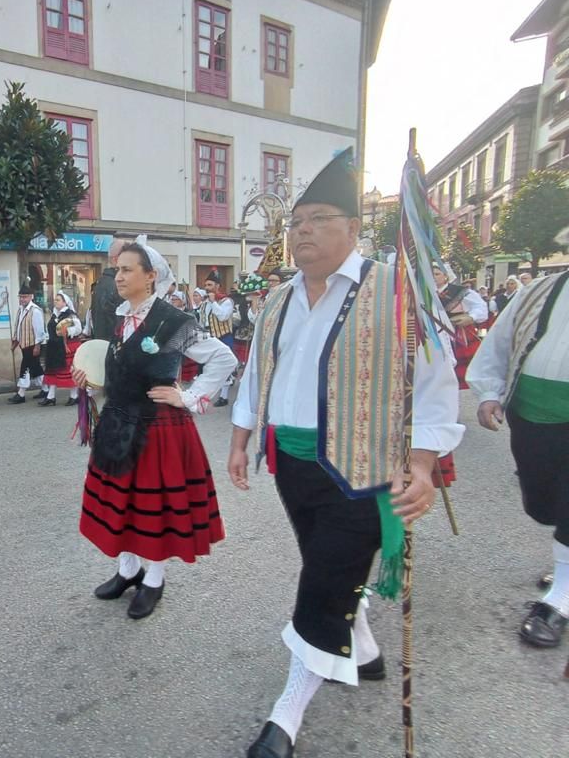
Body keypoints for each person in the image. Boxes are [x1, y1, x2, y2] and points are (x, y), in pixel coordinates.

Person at [227, 148, 463, 758]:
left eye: (318, 218)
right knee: (327, 567)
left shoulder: (399, 290)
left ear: (354, 228)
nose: (302, 231)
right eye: (295, 222)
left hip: (365, 470)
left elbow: (436, 380)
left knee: (322, 581)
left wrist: (423, 462)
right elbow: (259, 371)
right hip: (292, 464)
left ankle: (285, 718)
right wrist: (241, 436)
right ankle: (364, 646)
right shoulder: (277, 299)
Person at [74, 237, 236, 620]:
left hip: (157, 426)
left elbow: (223, 358)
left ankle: (154, 579)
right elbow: (122, 370)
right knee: (124, 503)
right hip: (119, 421)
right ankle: (129, 571)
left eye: (127, 269)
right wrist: (93, 380)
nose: (118, 276)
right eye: (118, 269)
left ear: (151, 277)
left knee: (153, 506)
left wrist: (191, 397)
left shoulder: (172, 320)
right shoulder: (120, 317)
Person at [467, 271, 569, 649]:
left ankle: (560, 598)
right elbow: (500, 342)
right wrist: (489, 392)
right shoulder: (541, 289)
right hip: (531, 413)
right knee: (543, 504)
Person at [433, 262, 488, 389]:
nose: (434, 277)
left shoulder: (461, 292)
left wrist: (470, 317)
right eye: (432, 274)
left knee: (461, 364)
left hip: (458, 333)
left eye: (437, 274)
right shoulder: (426, 293)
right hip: (435, 334)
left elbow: (481, 306)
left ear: (446, 276)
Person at [41, 291, 83, 406]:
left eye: (58, 300)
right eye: (55, 300)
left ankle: (74, 396)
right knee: (53, 370)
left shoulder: (70, 315)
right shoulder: (54, 315)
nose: (55, 302)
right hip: (54, 346)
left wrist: (67, 331)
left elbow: (79, 328)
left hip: (67, 346)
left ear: (65, 302)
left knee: (69, 371)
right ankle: (51, 396)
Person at [8, 284, 48, 404]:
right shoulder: (20, 310)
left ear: (31, 297)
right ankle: (46, 389)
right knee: (36, 369)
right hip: (23, 344)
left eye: (24, 297)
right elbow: (18, 326)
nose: (22, 299)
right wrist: (15, 341)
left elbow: (39, 330)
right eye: (20, 297)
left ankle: (21, 393)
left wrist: (37, 346)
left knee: (25, 368)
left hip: (32, 345)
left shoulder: (35, 311)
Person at [203, 269, 235, 407]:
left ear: (217, 286)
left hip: (224, 337)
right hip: (210, 337)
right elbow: (204, 320)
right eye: (206, 285)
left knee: (224, 366)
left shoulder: (226, 301)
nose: (207, 288)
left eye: (210, 285)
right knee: (211, 367)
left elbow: (223, 316)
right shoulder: (206, 303)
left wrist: (213, 302)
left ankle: (224, 396)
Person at [89, 238, 126, 341]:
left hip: (103, 343)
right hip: (113, 345)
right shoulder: (117, 284)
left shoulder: (101, 283)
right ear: (115, 259)